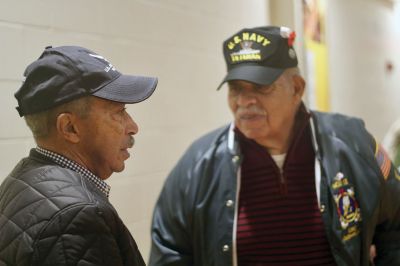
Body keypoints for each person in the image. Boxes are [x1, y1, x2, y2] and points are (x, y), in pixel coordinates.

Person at [149, 26, 400, 265]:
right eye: (236, 89)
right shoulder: (197, 165)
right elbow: (170, 252)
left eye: (260, 87)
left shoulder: (353, 143)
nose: (245, 101)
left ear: (297, 88)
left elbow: (395, 225)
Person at [0, 45, 158, 266]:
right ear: (70, 128)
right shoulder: (77, 216)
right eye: (119, 112)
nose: (133, 127)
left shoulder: (19, 180)